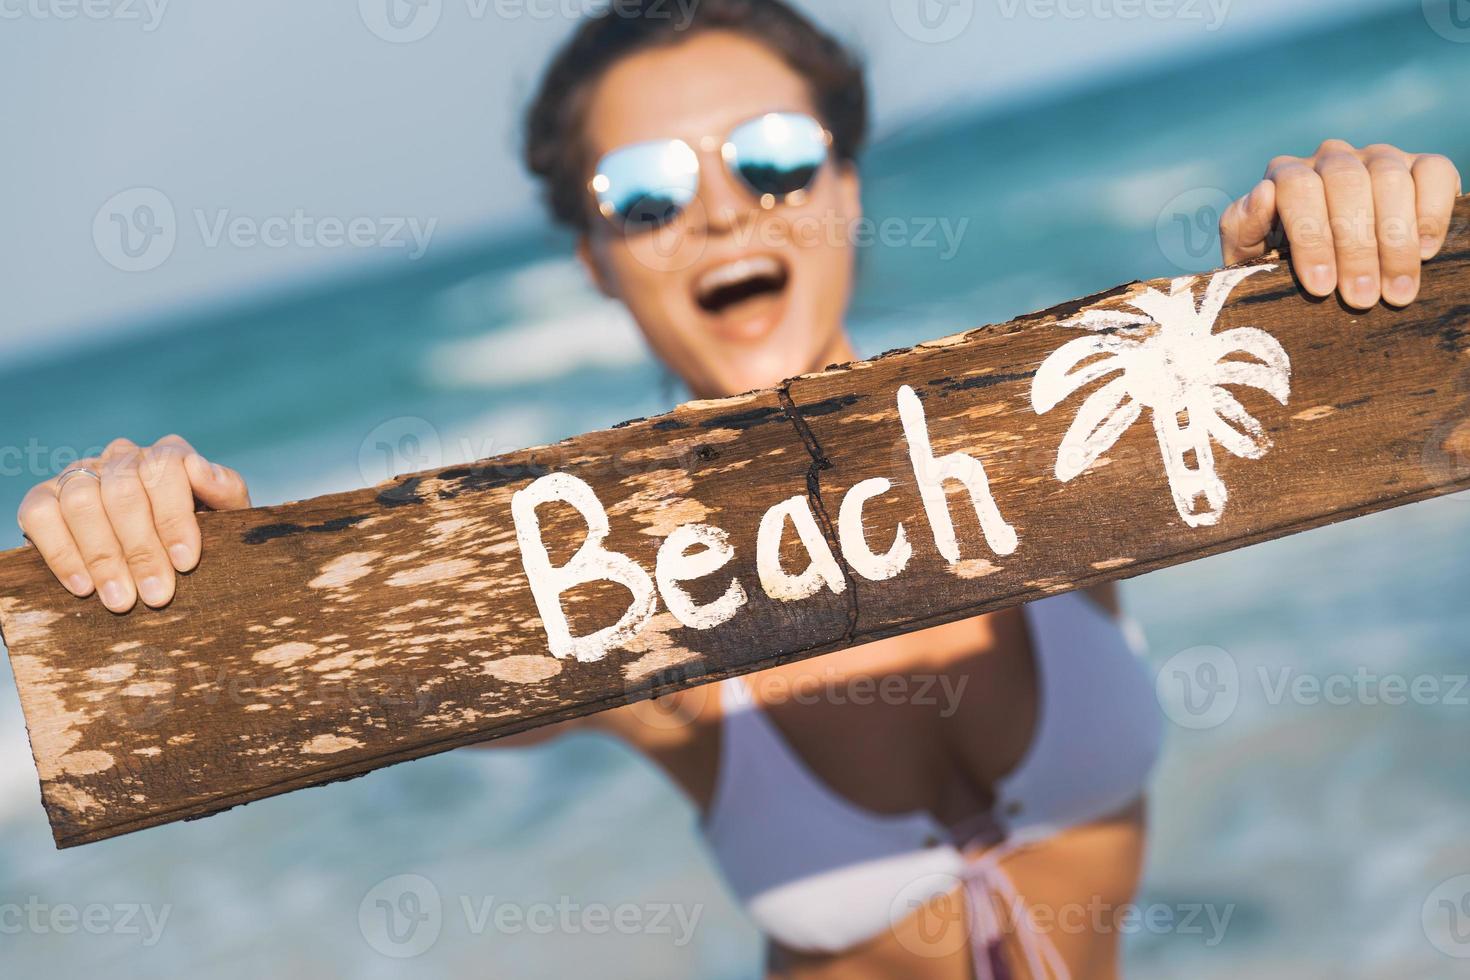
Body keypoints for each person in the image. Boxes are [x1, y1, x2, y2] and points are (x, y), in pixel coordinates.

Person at [15, 2, 1461, 976]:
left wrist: (1329, 271)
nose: (716, 208)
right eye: (642, 192)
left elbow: (1294, 405)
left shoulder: (1060, 449)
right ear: (594, 257)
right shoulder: (594, 579)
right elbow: (338, 668)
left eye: (770, 160)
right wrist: (168, 557)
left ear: (842, 184)